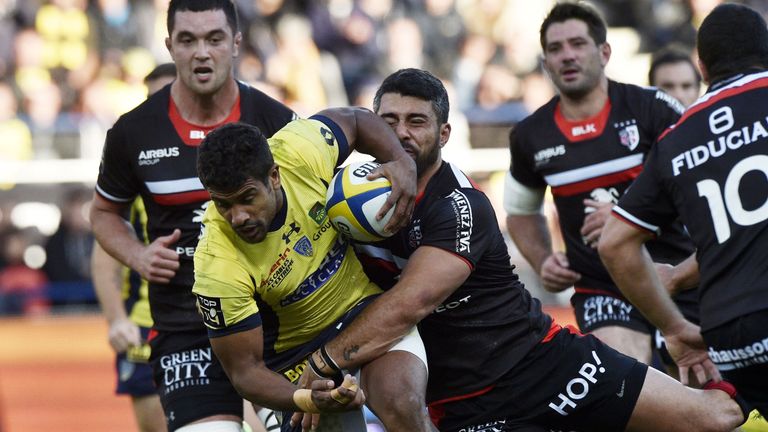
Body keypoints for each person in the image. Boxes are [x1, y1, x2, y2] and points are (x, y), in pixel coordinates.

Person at [296, 68, 747, 432]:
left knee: (714, 417)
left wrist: (324, 361)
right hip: (465, 406)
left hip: (544, 362)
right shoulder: (344, 201)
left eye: (417, 121)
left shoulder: (460, 204)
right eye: (389, 121)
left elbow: (410, 303)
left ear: (445, 132)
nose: (402, 134)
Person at [89, 1, 296, 430]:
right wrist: (137, 255)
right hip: (186, 330)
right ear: (170, 46)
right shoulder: (133, 132)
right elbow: (105, 212)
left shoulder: (277, 121)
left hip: (279, 325)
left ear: (236, 43)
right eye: (188, 40)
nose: (202, 52)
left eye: (214, 38)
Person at [192, 109, 434, 432]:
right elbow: (245, 372)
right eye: (223, 204)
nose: (237, 217)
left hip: (363, 314)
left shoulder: (300, 151)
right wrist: (303, 398)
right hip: (296, 365)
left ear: (274, 176)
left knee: (403, 404)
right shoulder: (215, 265)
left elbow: (358, 120)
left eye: (247, 198)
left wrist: (401, 161)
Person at [599, 2, 768, 419]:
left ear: (702, 67)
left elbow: (615, 242)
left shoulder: (676, 139)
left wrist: (674, 325)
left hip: (729, 338)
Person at [503, 1, 695, 366]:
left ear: (604, 52)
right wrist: (543, 259)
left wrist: (628, 217)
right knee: (629, 379)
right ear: (545, 63)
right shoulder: (531, 135)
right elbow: (519, 212)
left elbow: (698, 186)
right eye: (555, 49)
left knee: (710, 398)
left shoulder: (653, 109)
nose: (567, 56)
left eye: (578, 44)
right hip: (603, 288)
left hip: (675, 274)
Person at [91, 62, 176, 432]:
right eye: (150, 99)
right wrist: (117, 321)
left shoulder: (218, 158)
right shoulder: (132, 161)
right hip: (146, 325)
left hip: (215, 319)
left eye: (167, 96)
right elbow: (103, 251)